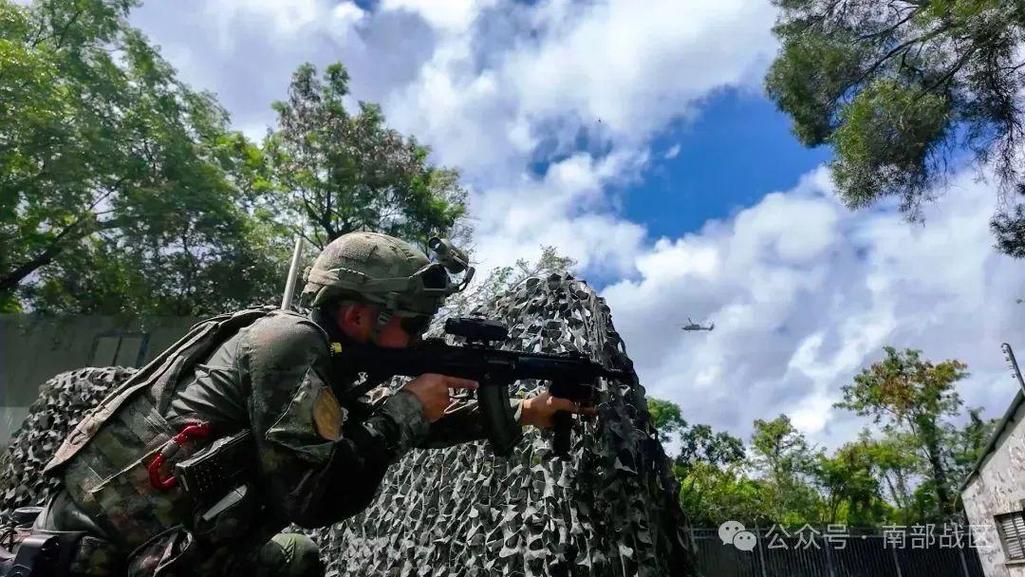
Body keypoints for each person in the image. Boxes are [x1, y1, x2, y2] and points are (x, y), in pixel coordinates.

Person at [30, 231, 591, 577]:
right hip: (99, 558)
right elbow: (314, 499)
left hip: (168, 545)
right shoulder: (289, 344)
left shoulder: (326, 358)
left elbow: (386, 425)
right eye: (413, 325)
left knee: (295, 557)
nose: (420, 340)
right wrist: (409, 406)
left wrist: (523, 411)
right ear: (357, 316)